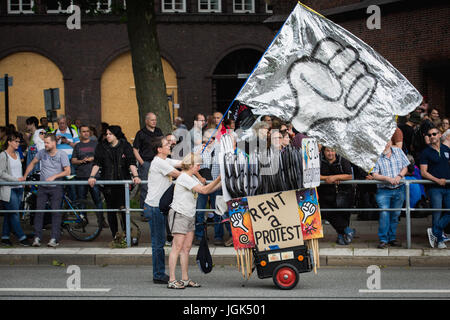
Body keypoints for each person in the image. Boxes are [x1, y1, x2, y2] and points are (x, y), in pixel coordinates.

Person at [167, 153, 222, 289]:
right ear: (191, 165)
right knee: (177, 247)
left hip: (189, 214)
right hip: (179, 214)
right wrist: (220, 178)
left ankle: (185, 278)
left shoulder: (191, 177)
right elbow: (203, 191)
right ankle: (172, 279)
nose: (199, 167)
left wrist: (222, 183)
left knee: (186, 248)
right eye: (198, 165)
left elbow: (209, 189)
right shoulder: (184, 177)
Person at [88, 126, 141, 239]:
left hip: (122, 184)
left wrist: (135, 176)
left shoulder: (125, 145)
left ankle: (127, 234)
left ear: (116, 135)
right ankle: (115, 235)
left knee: (123, 210)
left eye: (110, 134)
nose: (107, 136)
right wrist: (92, 176)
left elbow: (131, 162)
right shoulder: (102, 146)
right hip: (108, 184)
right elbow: (97, 163)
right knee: (111, 211)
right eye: (106, 134)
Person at [143, 136, 182, 284]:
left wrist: (193, 161)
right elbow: (177, 173)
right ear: (159, 149)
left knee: (160, 241)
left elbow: (180, 163)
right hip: (154, 207)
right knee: (158, 243)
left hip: (158, 207)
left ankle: (159, 272)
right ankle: (158, 274)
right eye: (167, 144)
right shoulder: (159, 162)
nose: (170, 145)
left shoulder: (165, 160)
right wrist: (191, 172)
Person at [24, 133, 71, 247]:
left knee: (55, 212)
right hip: (42, 187)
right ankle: (37, 237)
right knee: (39, 212)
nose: (45, 144)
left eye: (47, 142)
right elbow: (33, 163)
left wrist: (54, 177)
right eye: (44, 142)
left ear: (54, 143)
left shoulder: (62, 154)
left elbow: (68, 171)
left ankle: (54, 238)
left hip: (56, 187)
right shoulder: (41, 152)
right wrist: (25, 176)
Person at [371, 140, 410, 249]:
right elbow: (374, 174)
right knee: (384, 213)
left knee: (395, 215)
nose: (385, 145)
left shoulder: (398, 151)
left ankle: (392, 238)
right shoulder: (376, 155)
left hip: (399, 188)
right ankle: (383, 239)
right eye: (382, 142)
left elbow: (406, 167)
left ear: (391, 142)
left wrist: (399, 176)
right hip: (384, 190)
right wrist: (387, 179)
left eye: (387, 142)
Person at [420, 127, 450, 249]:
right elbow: (423, 172)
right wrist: (437, 180)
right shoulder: (425, 152)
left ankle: (435, 231)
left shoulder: (446, 149)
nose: (432, 136)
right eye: (429, 134)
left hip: (448, 186)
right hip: (434, 187)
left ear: (439, 135)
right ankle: (439, 240)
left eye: (434, 134)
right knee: (437, 213)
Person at [318, 147, 355, 245]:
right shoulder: (319, 160)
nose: (330, 153)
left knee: (343, 214)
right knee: (326, 213)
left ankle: (341, 236)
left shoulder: (342, 159)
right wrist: (329, 178)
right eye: (327, 151)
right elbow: (315, 174)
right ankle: (347, 230)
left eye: (332, 150)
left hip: (343, 192)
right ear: (324, 152)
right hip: (325, 193)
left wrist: (336, 177)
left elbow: (350, 175)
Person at [71, 125, 106, 228]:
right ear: (80, 133)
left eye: (87, 131)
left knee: (97, 199)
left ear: (90, 133)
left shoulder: (96, 144)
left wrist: (92, 158)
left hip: (94, 176)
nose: (85, 133)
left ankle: (101, 220)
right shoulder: (77, 146)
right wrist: (81, 161)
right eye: (83, 131)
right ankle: (82, 220)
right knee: (81, 200)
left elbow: (102, 156)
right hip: (81, 176)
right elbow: (73, 160)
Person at [0, 132, 30, 246]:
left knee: (9, 214)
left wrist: (21, 181)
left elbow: (19, 170)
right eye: (15, 141)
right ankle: (21, 237)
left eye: (18, 141)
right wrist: (15, 179)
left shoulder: (17, 154)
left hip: (18, 188)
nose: (18, 143)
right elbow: (1, 173)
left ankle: (5, 237)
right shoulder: (3, 155)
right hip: (9, 188)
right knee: (14, 214)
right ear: (9, 142)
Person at [133, 112, 164, 211]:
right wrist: (142, 162)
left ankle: (157, 210)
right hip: (146, 163)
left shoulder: (159, 131)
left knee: (159, 186)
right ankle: (144, 212)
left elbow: (163, 145)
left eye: (155, 120)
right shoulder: (140, 133)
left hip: (159, 163)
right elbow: (135, 149)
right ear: (146, 121)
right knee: (145, 188)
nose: (154, 122)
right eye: (152, 120)